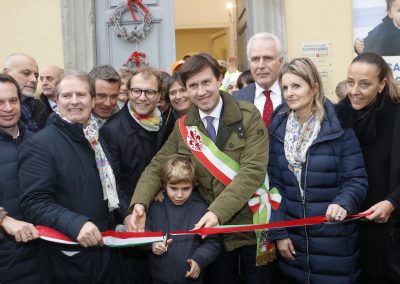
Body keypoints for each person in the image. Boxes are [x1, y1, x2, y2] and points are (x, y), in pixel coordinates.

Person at [129, 53, 274, 284]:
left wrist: (216, 212)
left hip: (252, 224)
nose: (201, 91)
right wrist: (139, 203)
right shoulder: (184, 127)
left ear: (219, 79)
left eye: (206, 82)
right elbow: (157, 165)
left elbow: (253, 171)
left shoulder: (248, 116)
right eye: (193, 86)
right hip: (214, 233)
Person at [18, 71, 127, 283]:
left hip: (107, 252)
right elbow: (33, 202)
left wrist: (127, 213)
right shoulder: (40, 145)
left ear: (93, 100)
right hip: (70, 258)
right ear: (57, 101)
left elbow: (110, 185)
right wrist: (76, 224)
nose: (74, 101)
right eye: (67, 96)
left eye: (81, 94)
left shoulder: (96, 138)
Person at [268, 57, 368, 283]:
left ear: (314, 87)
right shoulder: (278, 129)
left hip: (334, 242)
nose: (289, 93)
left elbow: (356, 180)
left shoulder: (339, 127)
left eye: (296, 86)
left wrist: (344, 202)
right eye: (285, 87)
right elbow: (274, 187)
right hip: (293, 244)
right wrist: (279, 232)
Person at [336, 52, 400, 284]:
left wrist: (392, 202)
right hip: (350, 228)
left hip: (389, 231)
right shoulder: (338, 115)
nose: (354, 91)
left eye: (365, 84)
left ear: (382, 84)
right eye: (350, 82)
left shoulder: (396, 114)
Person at [101, 66, 167, 284]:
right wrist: (128, 212)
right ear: (128, 92)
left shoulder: (164, 122)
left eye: (149, 92)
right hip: (132, 216)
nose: (142, 97)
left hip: (163, 211)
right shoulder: (112, 129)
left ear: (159, 96)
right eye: (136, 91)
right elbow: (113, 180)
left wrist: (162, 185)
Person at [146, 155, 221, 284]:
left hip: (192, 280)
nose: (179, 195)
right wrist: (152, 243)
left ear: (194, 185)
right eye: (173, 188)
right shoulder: (155, 206)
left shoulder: (202, 209)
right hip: (159, 279)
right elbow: (143, 231)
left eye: (186, 188)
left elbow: (213, 243)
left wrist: (199, 260)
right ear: (164, 185)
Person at [0, 73, 40, 284]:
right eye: (0, 102)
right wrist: (3, 219)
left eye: (13, 100)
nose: (8, 108)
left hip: (44, 255)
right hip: (7, 261)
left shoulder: (38, 142)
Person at [234, 32, 284, 128]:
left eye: (268, 58)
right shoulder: (237, 99)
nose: (261, 66)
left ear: (280, 62)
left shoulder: (295, 95)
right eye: (255, 59)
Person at [3, 53, 49, 132]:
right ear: (6, 73)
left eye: (36, 75)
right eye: (26, 73)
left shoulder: (42, 107)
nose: (34, 80)